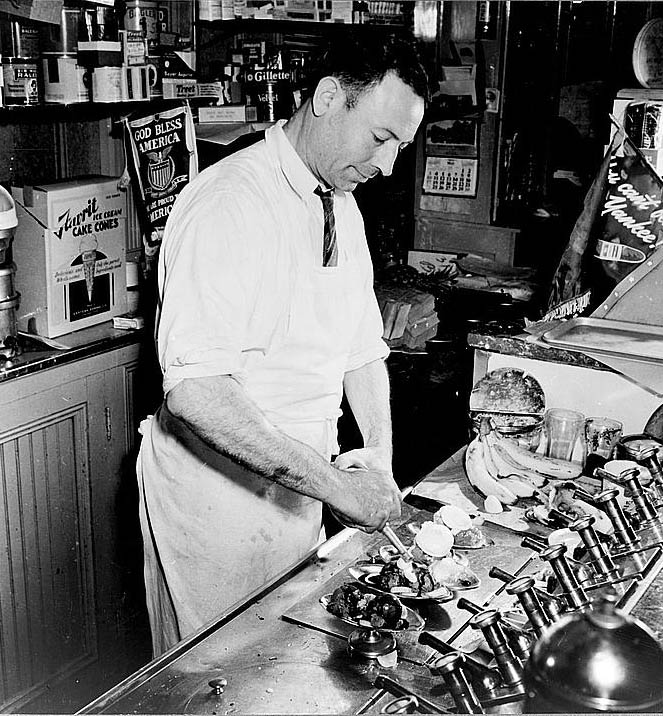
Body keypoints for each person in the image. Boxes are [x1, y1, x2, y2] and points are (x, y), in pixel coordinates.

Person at [136, 34, 429, 655]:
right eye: (382, 139)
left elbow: (361, 348)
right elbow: (197, 391)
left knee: (282, 670)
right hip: (216, 508)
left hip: (300, 492)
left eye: (401, 146)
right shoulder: (228, 203)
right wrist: (336, 486)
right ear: (328, 98)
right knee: (214, 681)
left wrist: (377, 456)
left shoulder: (340, 203)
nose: (389, 166)